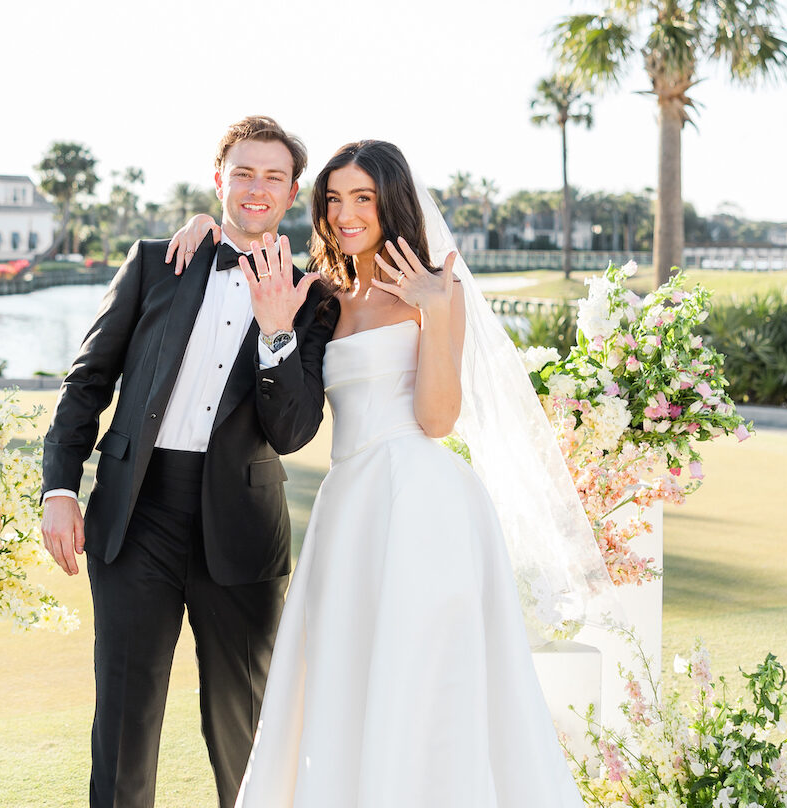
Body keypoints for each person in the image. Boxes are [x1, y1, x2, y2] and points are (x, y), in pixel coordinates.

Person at [168, 140, 611, 806]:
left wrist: (434, 310)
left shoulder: (438, 288)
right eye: (334, 199)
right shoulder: (319, 296)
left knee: (426, 675)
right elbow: (252, 261)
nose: (346, 214)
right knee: (342, 675)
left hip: (424, 505)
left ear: (391, 202)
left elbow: (437, 419)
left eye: (363, 198)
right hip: (349, 506)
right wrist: (203, 226)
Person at [39, 115, 338, 808]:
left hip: (240, 527)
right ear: (218, 179)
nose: (256, 189)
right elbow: (87, 383)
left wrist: (276, 330)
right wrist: (59, 487)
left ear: (292, 192)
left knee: (243, 733)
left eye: (273, 177)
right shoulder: (156, 261)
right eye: (243, 172)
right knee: (123, 723)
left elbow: (292, 432)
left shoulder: (313, 298)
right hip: (134, 514)